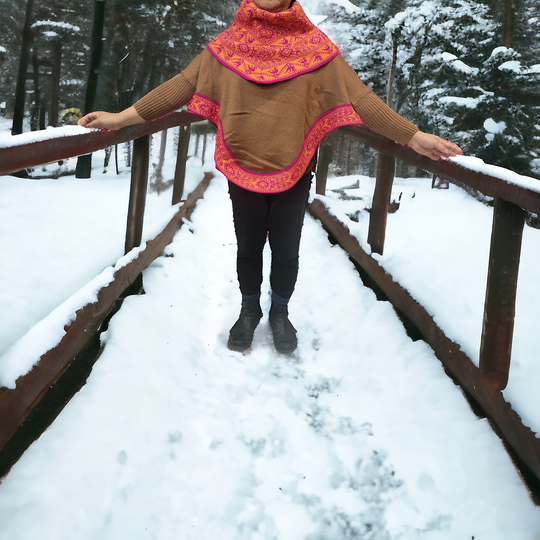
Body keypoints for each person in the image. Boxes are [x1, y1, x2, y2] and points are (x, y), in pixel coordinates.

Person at [79, 0, 462, 355]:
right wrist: (122, 118)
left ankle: (280, 312)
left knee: (285, 247)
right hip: (241, 162)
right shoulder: (228, 45)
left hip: (293, 166)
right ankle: (249, 312)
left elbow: (360, 100)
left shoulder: (315, 47)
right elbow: (181, 86)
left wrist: (412, 136)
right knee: (247, 247)